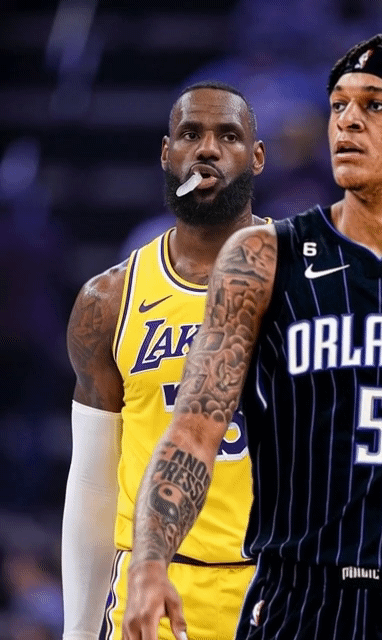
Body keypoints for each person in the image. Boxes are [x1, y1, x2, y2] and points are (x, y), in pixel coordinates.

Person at [121, 31, 382, 640]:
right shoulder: (261, 257)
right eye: (338, 105)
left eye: (375, 105)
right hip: (300, 596)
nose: (347, 122)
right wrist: (151, 562)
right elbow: (194, 430)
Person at [62, 81, 267, 640]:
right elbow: (93, 485)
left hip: (279, 589)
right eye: (190, 134)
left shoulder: (311, 284)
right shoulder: (109, 301)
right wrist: (78, 630)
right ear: (166, 152)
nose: (207, 149)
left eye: (228, 136)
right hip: (152, 592)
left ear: (257, 156)